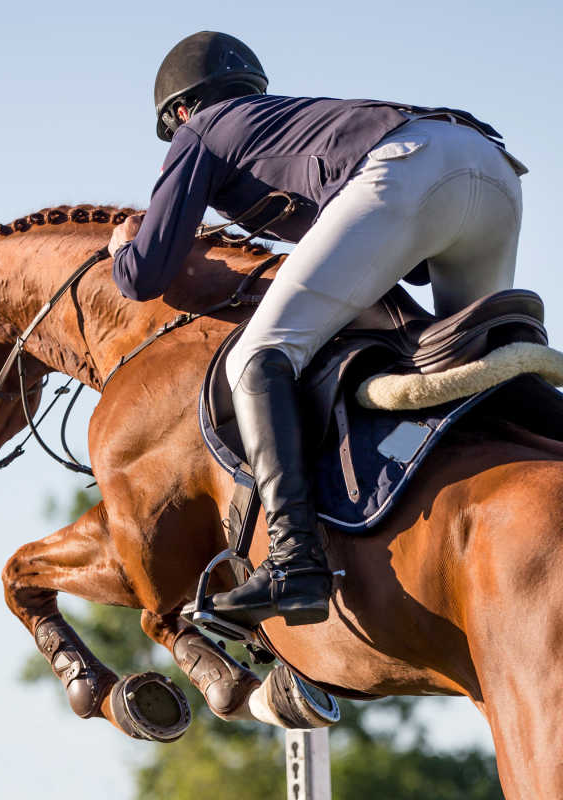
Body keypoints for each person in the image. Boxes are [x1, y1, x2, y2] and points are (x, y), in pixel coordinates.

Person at [108, 31, 526, 630]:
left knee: (256, 356)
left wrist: (121, 249)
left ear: (179, 111)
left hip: (406, 167)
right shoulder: (282, 122)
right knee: (478, 373)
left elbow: (146, 273)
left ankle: (293, 561)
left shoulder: (199, 131)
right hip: (490, 167)